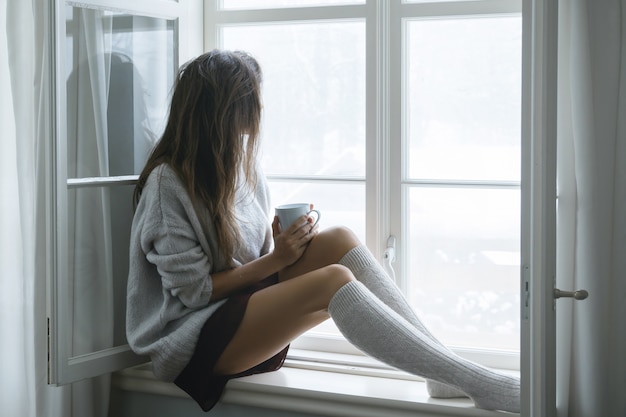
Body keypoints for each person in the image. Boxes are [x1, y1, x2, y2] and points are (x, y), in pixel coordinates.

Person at [126, 49, 520, 414]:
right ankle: (474, 380)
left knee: (339, 239)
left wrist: (281, 243)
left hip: (243, 311)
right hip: (198, 342)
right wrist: (276, 260)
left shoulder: (243, 168)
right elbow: (193, 293)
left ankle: (440, 370)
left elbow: (252, 260)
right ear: (224, 110)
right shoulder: (168, 185)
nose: (261, 107)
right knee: (334, 280)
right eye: (252, 97)